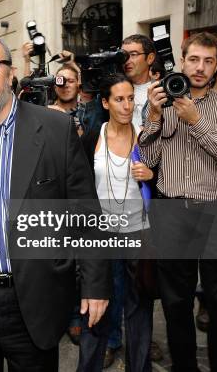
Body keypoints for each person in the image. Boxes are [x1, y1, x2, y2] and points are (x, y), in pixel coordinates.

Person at [0, 32, 111, 371]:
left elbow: (85, 212)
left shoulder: (55, 129)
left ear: (11, 74)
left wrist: (96, 284)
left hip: (36, 298)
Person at [138, 32, 217, 372]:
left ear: (216, 67)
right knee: (175, 302)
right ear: (182, 60)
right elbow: (149, 158)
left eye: (208, 61)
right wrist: (155, 116)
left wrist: (195, 122)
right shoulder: (160, 102)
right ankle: (184, 367)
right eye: (194, 59)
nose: (200, 68)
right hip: (171, 209)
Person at [81, 73, 155, 371]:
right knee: (98, 310)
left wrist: (153, 176)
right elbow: (78, 188)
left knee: (139, 310)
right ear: (105, 102)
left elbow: (166, 181)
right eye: (119, 99)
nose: (127, 105)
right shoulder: (91, 138)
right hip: (102, 237)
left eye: (130, 98)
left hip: (139, 233)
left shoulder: (147, 137)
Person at [122, 34, 157, 128]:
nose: (127, 60)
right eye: (123, 55)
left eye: (133, 54)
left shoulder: (161, 91)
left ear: (150, 58)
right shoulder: (115, 90)